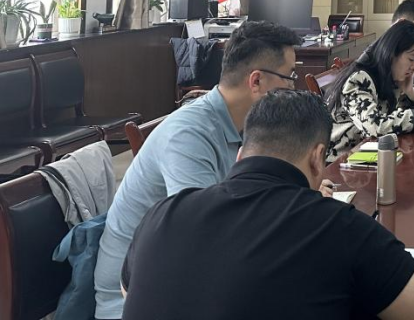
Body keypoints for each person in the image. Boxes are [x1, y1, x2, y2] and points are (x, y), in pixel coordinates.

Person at [121, 90, 414, 320]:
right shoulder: (335, 225)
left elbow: (128, 290)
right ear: (318, 158)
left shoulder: (162, 213)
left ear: (241, 154)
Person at [95, 22, 302, 318]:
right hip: (134, 299)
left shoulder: (246, 125)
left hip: (183, 278)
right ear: (256, 81)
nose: (293, 88)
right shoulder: (189, 135)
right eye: (289, 77)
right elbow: (203, 237)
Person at [326, 20, 414, 162]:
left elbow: (401, 111)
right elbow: (375, 126)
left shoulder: (389, 77)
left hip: (367, 155)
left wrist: (409, 91)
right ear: (392, 54)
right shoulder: (359, 80)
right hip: (339, 163)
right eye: (411, 59)